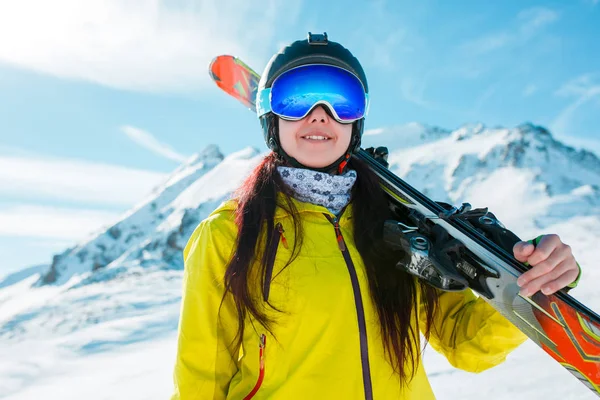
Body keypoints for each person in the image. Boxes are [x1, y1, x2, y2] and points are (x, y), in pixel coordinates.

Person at [170, 33, 581, 399]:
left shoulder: (401, 227)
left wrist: (529, 287)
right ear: (270, 118)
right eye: (296, 98)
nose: (319, 114)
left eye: (341, 101)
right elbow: (201, 380)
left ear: (358, 123)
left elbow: (465, 346)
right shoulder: (229, 234)